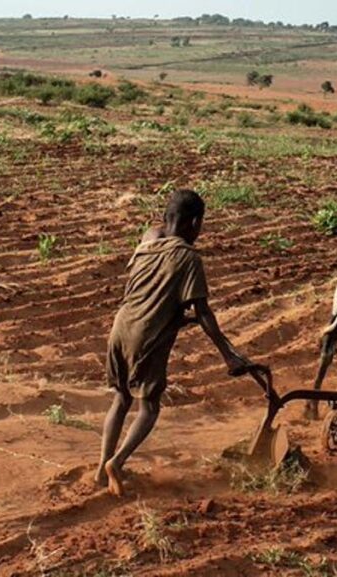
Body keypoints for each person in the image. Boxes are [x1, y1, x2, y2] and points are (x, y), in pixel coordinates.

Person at [97, 189, 256, 496]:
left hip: (120, 327)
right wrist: (229, 357)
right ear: (195, 223)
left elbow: (151, 288)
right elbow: (204, 312)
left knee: (120, 399)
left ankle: (100, 468)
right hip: (147, 336)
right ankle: (116, 463)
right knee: (150, 407)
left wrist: (175, 316)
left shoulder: (149, 238)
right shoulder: (188, 258)